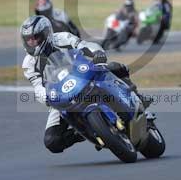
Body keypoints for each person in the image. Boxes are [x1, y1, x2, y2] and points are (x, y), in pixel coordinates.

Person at [20, 15, 148, 154]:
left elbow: (84, 45)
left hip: (83, 76)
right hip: (60, 95)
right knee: (52, 141)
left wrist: (97, 53)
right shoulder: (29, 64)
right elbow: (37, 86)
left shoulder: (62, 38)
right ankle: (84, 132)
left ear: (46, 33)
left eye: (35, 37)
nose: (32, 42)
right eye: (29, 40)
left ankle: (137, 96)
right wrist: (45, 97)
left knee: (115, 67)